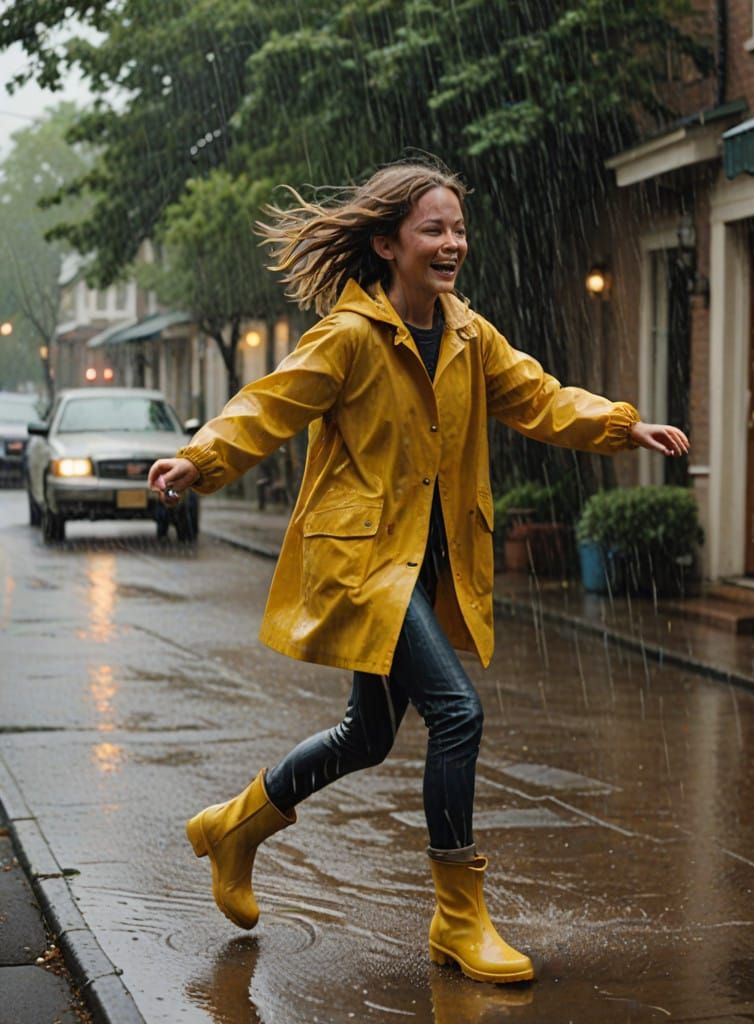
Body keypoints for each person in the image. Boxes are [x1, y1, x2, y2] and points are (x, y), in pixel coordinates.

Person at [148, 158, 689, 985]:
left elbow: (540, 397)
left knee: (368, 736)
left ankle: (236, 827)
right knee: (458, 716)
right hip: (367, 563)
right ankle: (459, 917)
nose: (452, 244)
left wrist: (624, 426)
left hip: (426, 564)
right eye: (433, 230)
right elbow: (271, 403)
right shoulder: (350, 336)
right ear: (387, 244)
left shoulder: (468, 334)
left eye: (458, 229)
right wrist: (199, 459)